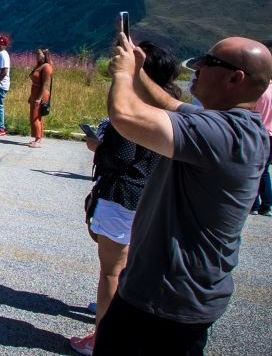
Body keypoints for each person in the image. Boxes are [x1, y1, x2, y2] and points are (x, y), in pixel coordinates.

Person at [93, 35, 272, 355]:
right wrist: (137, 72)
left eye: (210, 62)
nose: (197, 67)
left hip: (163, 300)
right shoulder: (231, 124)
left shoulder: (220, 135)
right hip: (171, 294)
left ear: (236, 78)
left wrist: (120, 74)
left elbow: (127, 118)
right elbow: (168, 104)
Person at [69, 42, 177, 355]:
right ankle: (120, 324)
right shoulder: (169, 108)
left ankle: (102, 338)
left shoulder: (130, 110)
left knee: (110, 272)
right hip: (148, 196)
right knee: (129, 268)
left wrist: (98, 145)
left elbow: (122, 155)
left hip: (122, 196)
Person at [251, 39, 272, 216]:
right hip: (271, 133)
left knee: (256, 169)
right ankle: (266, 204)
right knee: (265, 170)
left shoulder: (260, 91)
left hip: (259, 131)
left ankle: (255, 204)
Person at [26, 48, 53, 148]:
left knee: (35, 117)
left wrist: (39, 98)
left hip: (40, 94)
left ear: (45, 54)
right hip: (35, 92)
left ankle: (38, 140)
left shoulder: (46, 67)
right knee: (36, 117)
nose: (37, 56)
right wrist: (31, 96)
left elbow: (45, 84)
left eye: (39, 54)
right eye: (36, 54)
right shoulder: (39, 65)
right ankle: (38, 138)